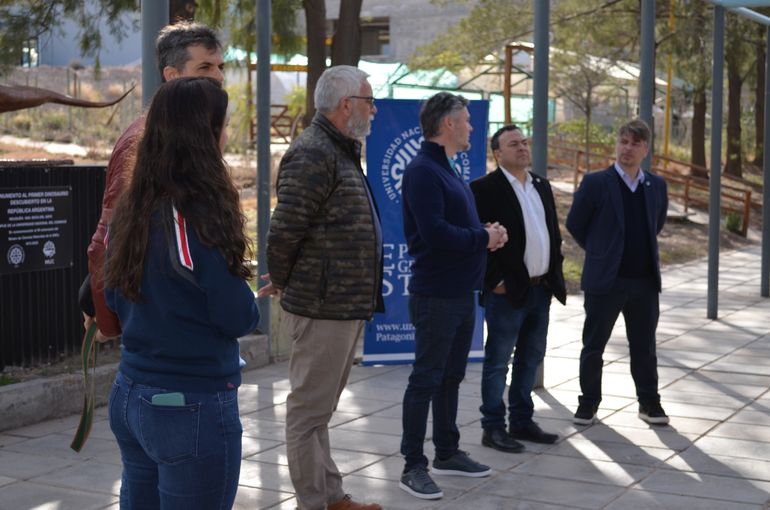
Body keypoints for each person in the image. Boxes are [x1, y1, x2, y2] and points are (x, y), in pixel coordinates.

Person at [103, 77, 259, 509]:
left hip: (130, 393)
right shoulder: (198, 216)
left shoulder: (131, 207)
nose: (227, 135)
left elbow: (115, 298)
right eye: (223, 126)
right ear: (204, 136)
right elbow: (237, 317)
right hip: (187, 403)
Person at [264, 65, 384, 510]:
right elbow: (285, 230)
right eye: (369, 100)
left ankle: (331, 495)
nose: (373, 109)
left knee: (321, 412)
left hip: (343, 304)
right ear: (345, 105)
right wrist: (283, 278)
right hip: (322, 306)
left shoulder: (340, 150)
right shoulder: (314, 152)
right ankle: (313, 502)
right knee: (308, 413)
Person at [86, 21, 225, 341]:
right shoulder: (143, 139)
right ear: (171, 75)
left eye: (220, 66)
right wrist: (110, 325)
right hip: (154, 336)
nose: (218, 77)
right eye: (204, 66)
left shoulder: (199, 134)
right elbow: (105, 240)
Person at [398, 92, 507, 500]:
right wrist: (484, 236)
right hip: (437, 294)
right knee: (425, 378)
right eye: (466, 120)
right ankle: (413, 465)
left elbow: (457, 224)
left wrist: (487, 233)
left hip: (462, 292)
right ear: (448, 125)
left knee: (451, 377)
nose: (471, 128)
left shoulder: (447, 167)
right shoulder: (423, 170)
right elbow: (435, 234)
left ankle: (447, 451)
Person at [470, 125, 567, 452]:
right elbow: (477, 241)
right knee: (499, 361)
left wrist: (555, 272)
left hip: (541, 290)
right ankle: (493, 427)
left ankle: (522, 421)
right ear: (498, 154)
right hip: (507, 292)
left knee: (531, 357)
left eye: (525, 142)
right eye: (514, 144)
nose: (523, 148)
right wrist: (493, 281)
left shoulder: (540, 184)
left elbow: (552, 233)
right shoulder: (484, 188)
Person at [566, 118, 669, 426]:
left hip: (645, 282)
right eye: (624, 141)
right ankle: (588, 404)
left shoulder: (656, 186)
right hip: (606, 281)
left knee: (644, 347)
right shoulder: (597, 182)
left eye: (635, 143)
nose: (628, 148)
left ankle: (649, 404)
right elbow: (575, 224)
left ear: (645, 149)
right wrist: (601, 251)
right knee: (594, 345)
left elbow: (657, 224)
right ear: (617, 144)